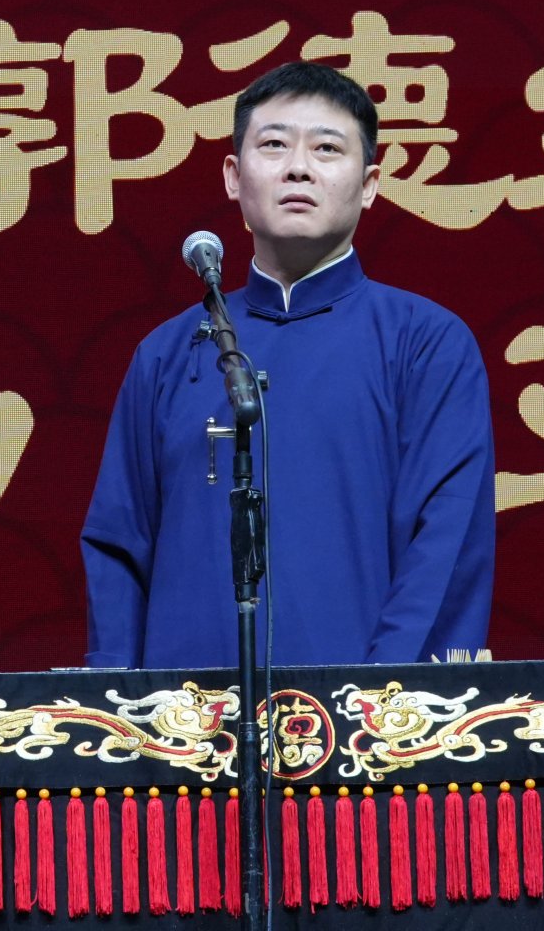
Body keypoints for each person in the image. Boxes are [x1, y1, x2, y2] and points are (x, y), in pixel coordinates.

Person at [82, 61, 494, 670]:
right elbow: (120, 546)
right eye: (274, 145)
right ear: (234, 176)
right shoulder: (169, 354)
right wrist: (120, 709)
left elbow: (444, 548)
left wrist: (381, 703)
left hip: (362, 716)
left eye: (327, 149)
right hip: (181, 720)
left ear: (370, 184)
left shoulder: (425, 344)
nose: (298, 167)